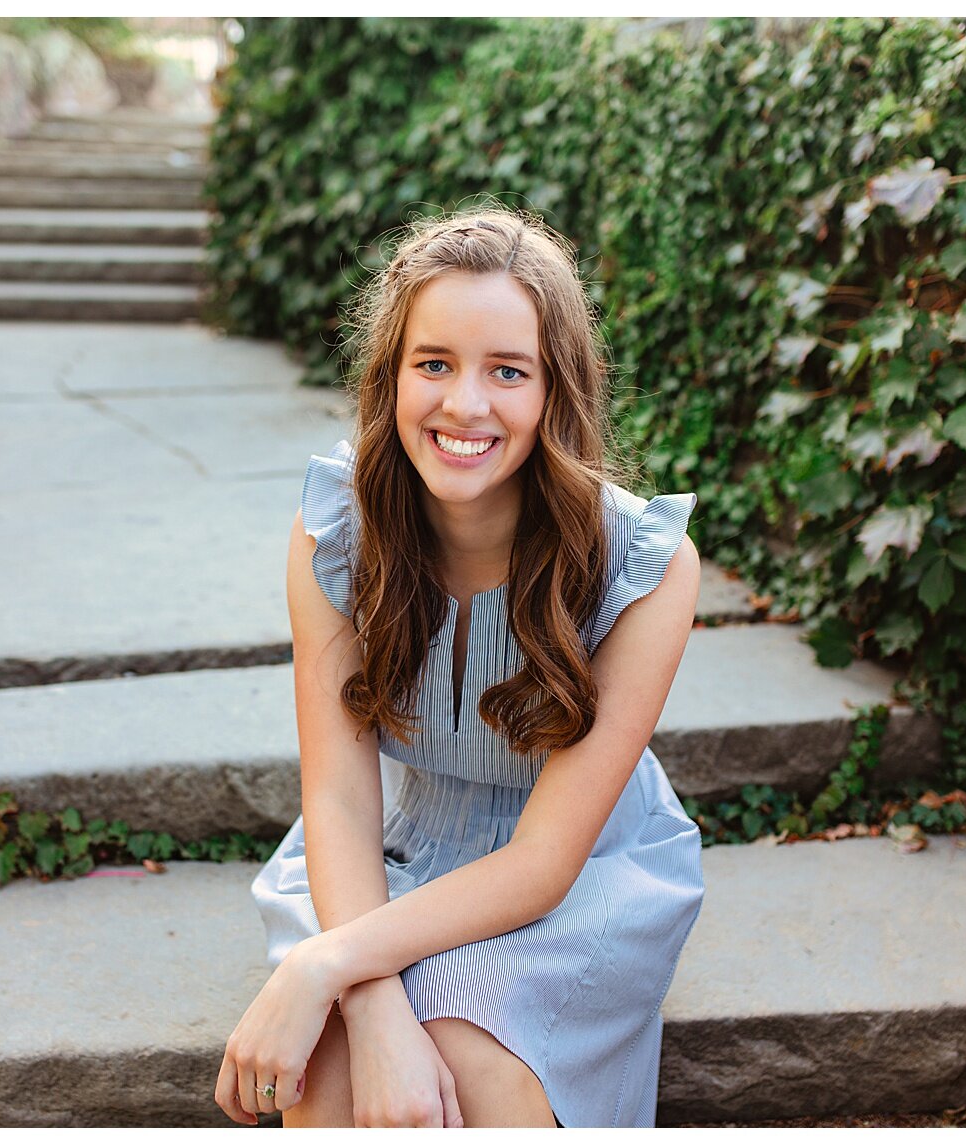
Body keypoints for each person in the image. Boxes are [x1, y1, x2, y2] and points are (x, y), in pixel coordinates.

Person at [215, 204, 705, 1128]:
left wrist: (329, 962)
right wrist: (367, 1000)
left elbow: (543, 863)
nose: (464, 405)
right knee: (325, 1082)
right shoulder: (336, 534)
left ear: (556, 388)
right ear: (390, 374)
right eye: (433, 363)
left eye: (507, 371)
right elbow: (341, 799)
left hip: (579, 863)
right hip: (393, 849)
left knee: (479, 1075)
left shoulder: (645, 564)